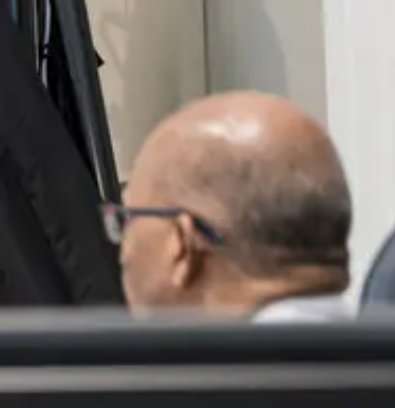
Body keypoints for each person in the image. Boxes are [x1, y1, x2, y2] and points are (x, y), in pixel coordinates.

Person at [106, 90, 354, 321]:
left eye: (128, 218)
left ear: (182, 245)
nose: (124, 251)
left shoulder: (240, 367)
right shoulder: (374, 357)